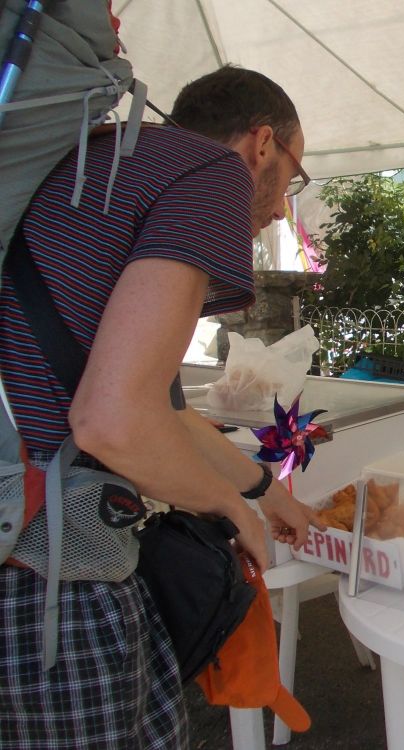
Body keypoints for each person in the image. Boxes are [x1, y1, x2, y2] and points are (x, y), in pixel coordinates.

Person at [0, 65, 324, 749]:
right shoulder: (212, 175)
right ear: (261, 144)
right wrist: (231, 508)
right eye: (292, 178)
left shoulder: (114, 161)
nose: (278, 210)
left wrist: (265, 490)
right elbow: (111, 421)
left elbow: (165, 415)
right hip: (48, 564)